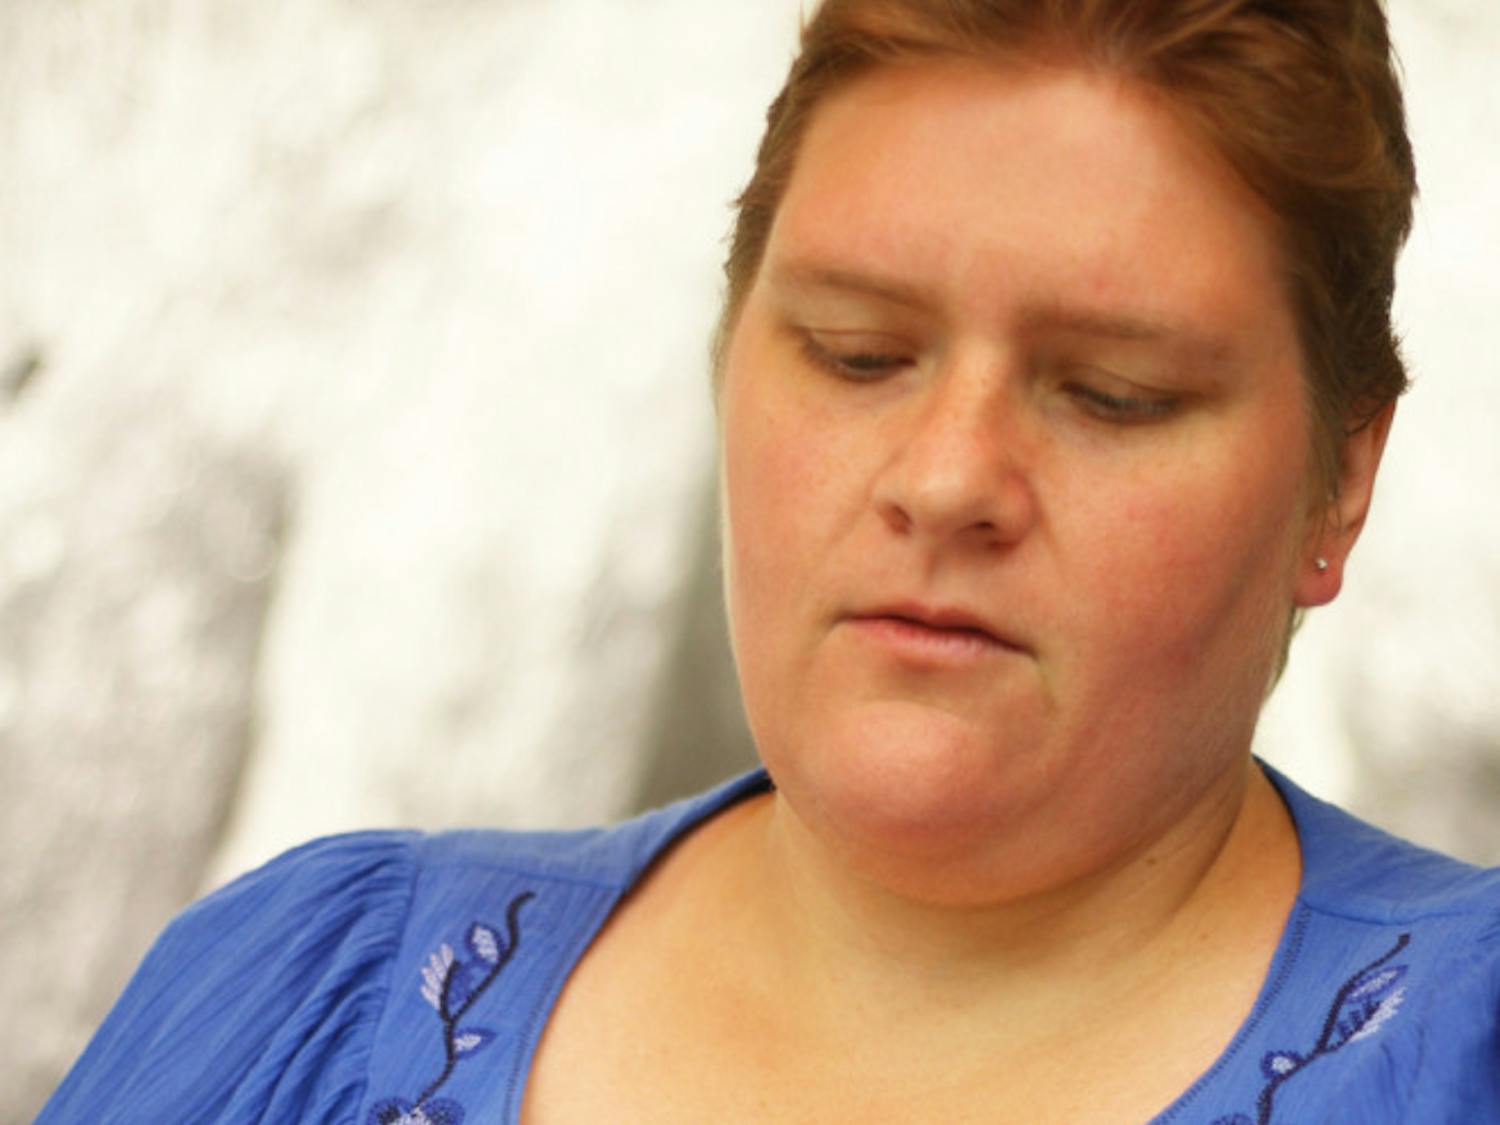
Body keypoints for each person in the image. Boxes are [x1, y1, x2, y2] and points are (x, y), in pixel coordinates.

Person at [40, 1, 1500, 1123]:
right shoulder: (311, 997)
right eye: (858, 355)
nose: (945, 478)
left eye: (1114, 394)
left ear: (1341, 478)